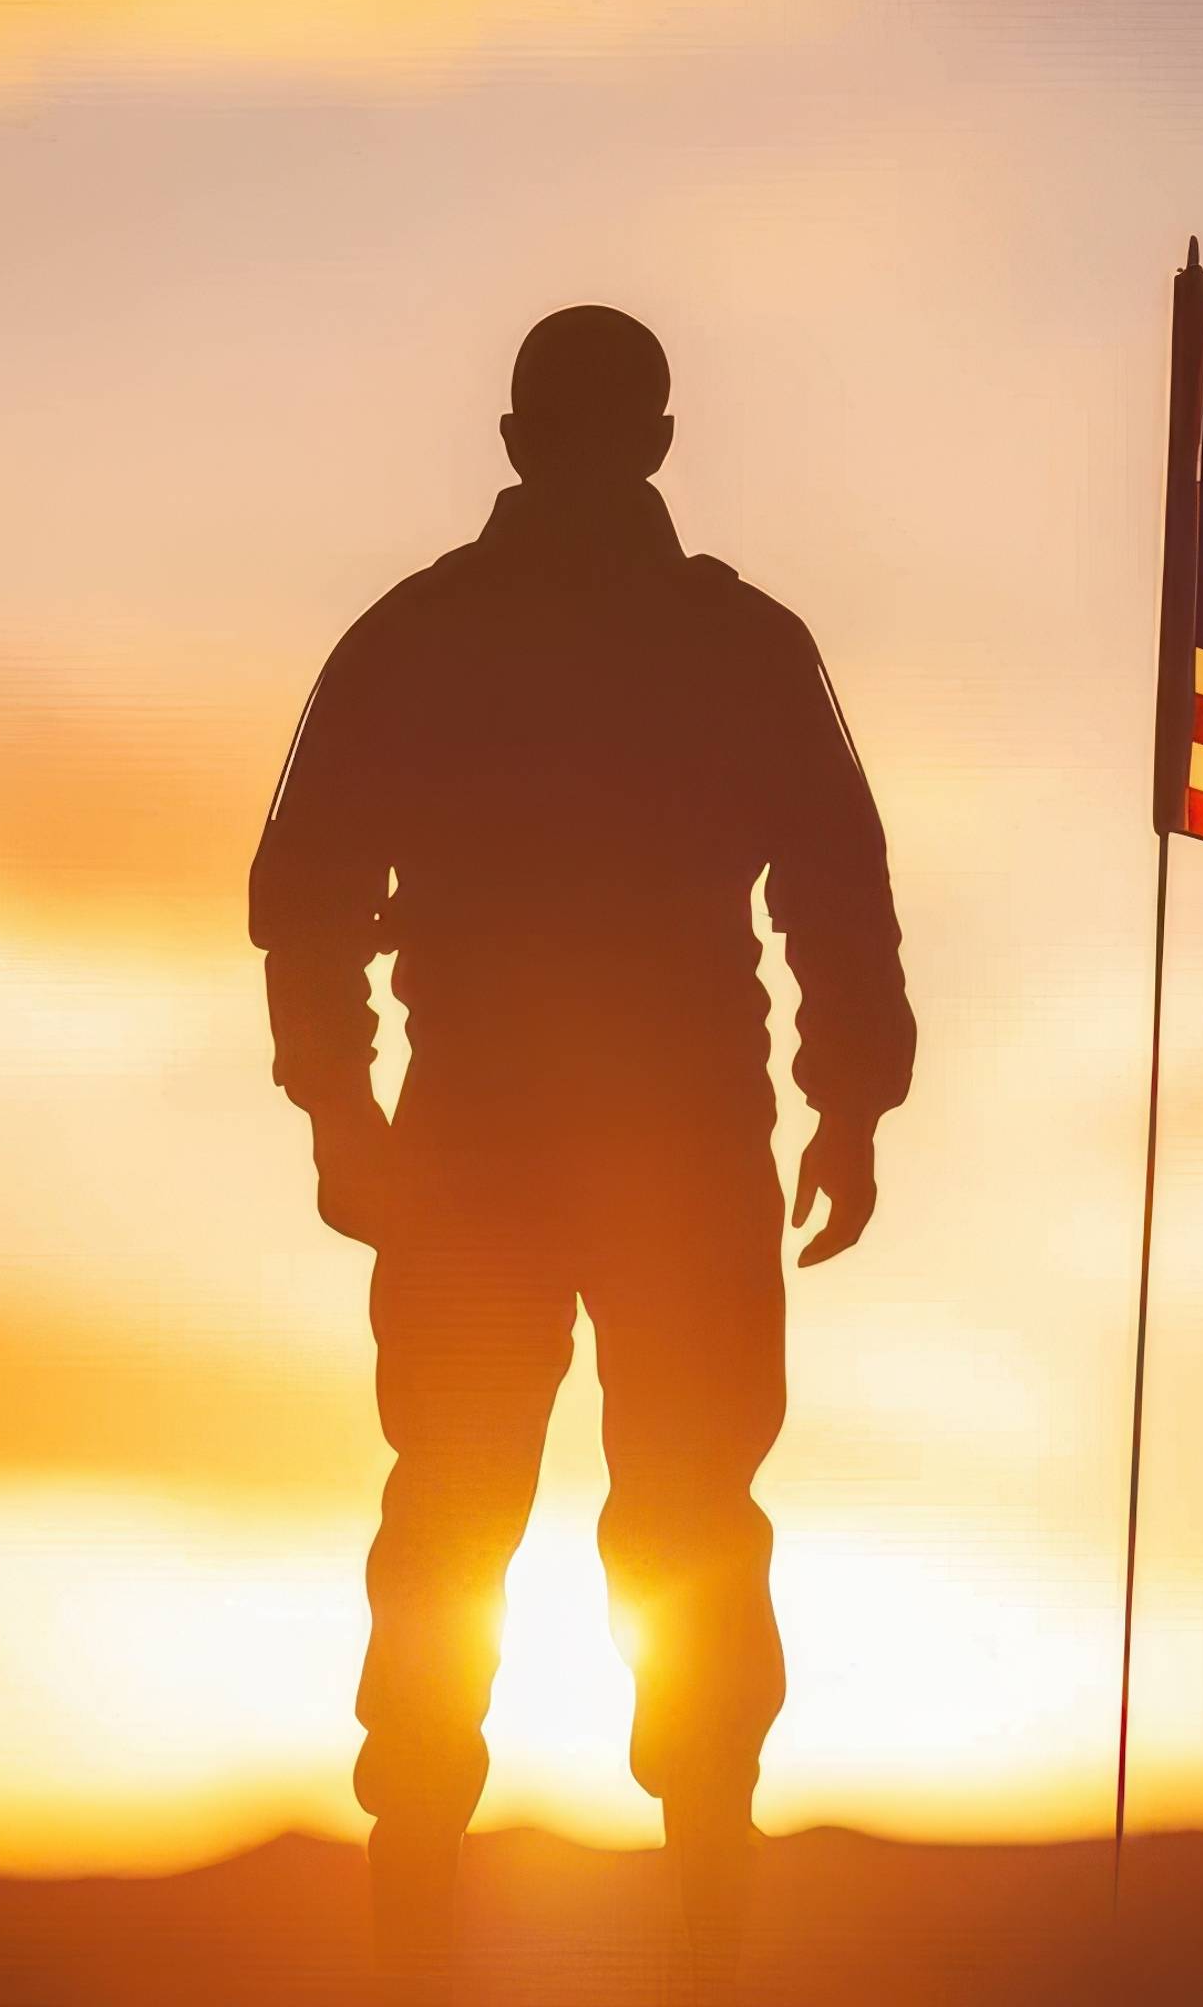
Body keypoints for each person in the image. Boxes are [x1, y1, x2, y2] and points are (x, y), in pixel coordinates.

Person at [248, 306, 913, 1995]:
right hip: (635, 1152)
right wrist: (847, 1099)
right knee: (600, 1519)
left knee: (499, 1517)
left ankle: (565, 1916)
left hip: (545, 1152)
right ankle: (652, 1918)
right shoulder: (723, 642)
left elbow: (307, 890)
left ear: (516, 438)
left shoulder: (431, 635)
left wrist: (341, 1101)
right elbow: (838, 888)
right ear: (660, 442)